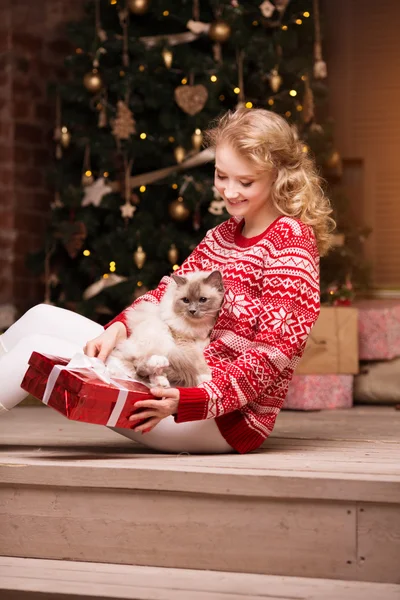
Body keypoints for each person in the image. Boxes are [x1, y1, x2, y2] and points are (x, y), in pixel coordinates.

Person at [0, 107, 334, 454]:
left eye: (245, 182)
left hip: (212, 415)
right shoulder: (221, 235)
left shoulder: (290, 240)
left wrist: (188, 400)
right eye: (222, 176)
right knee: (41, 315)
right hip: (164, 371)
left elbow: (272, 354)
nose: (229, 191)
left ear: (278, 176)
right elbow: (166, 293)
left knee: (32, 348)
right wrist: (118, 329)